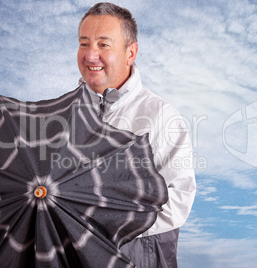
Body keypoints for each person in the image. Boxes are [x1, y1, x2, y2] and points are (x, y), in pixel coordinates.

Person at [77, 2, 196, 267]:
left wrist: (109, 219)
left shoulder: (160, 115)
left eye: (103, 45)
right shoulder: (61, 118)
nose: (90, 54)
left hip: (139, 256)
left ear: (131, 53)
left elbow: (179, 198)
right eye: (84, 43)